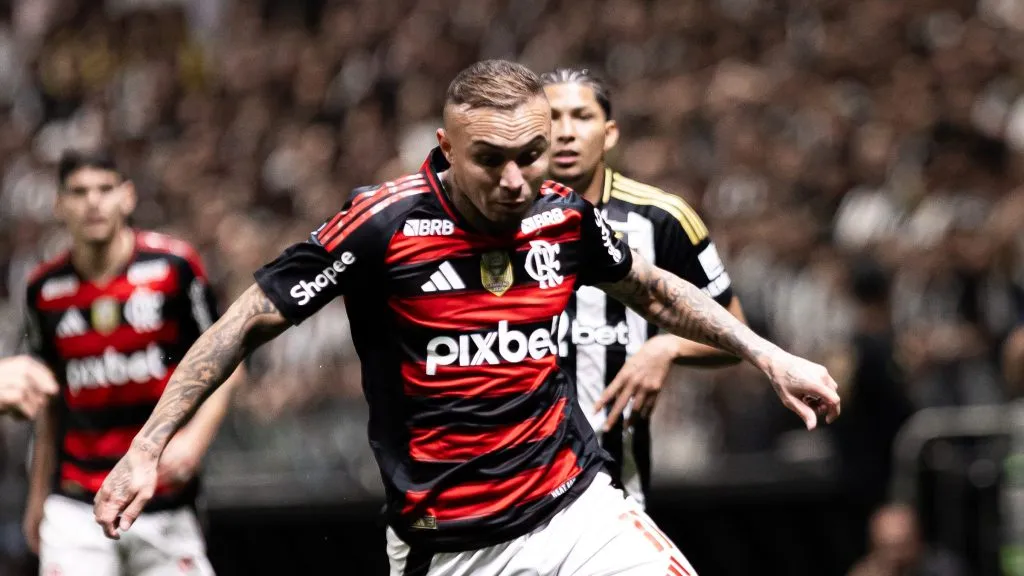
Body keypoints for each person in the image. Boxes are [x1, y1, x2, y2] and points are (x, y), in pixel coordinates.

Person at [94, 60, 840, 576]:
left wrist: (767, 355)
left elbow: (654, 290)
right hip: (451, 546)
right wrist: (147, 447)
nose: (516, 181)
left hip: (575, 511)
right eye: (491, 160)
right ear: (446, 148)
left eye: (531, 156)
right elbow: (244, 322)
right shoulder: (381, 226)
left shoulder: (563, 216)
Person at [21, 149, 242, 576]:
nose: (93, 202)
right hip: (76, 504)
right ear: (59, 204)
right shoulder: (43, 289)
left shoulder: (174, 268)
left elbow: (226, 364)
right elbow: (48, 402)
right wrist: (37, 498)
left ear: (127, 196)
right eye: (79, 192)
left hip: (162, 495)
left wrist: (193, 442)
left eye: (105, 189)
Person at [541, 67, 747, 505]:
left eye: (582, 116)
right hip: (515, 481)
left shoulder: (662, 217)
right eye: (552, 118)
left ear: (610, 133)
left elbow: (735, 334)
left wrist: (667, 347)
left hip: (616, 481)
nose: (566, 132)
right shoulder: (500, 218)